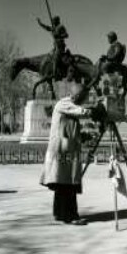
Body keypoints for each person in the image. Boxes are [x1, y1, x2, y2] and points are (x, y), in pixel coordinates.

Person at [40, 82, 92, 225]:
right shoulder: (64, 104)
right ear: (77, 96)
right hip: (61, 149)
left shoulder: (70, 106)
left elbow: (70, 129)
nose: (84, 101)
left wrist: (83, 136)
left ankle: (60, 213)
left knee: (62, 182)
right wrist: (95, 111)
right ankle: (70, 216)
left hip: (65, 148)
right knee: (66, 182)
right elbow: (81, 111)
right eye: (83, 98)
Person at [37, 16, 69, 81]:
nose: (53, 22)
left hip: (60, 47)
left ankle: (55, 74)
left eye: (54, 21)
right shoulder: (53, 28)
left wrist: (59, 35)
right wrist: (40, 23)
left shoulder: (61, 27)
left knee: (56, 58)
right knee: (49, 57)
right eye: (53, 21)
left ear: (57, 21)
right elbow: (47, 28)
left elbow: (66, 35)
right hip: (55, 47)